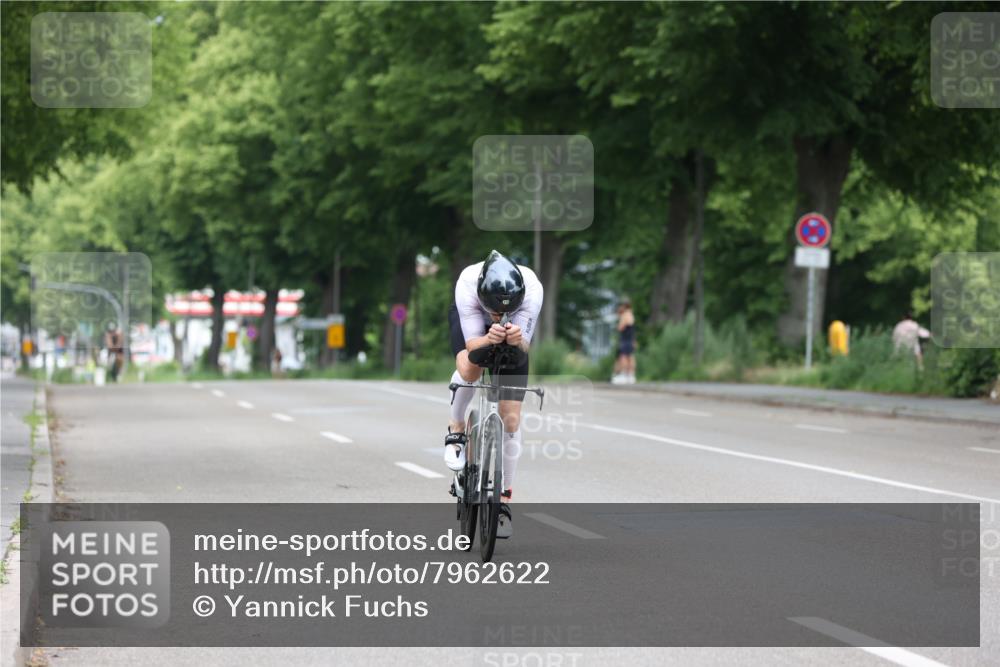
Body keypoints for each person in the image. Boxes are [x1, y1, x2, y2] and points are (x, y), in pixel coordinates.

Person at [444, 250, 543, 538]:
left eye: (504, 312)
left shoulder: (532, 290)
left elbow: (524, 348)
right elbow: (471, 349)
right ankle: (456, 427)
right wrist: (488, 337)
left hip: (514, 334)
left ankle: (504, 501)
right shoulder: (467, 284)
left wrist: (517, 339)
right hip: (475, 329)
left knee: (510, 418)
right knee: (470, 371)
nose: (499, 317)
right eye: (495, 312)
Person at [612, 300, 636, 385]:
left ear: (624, 306)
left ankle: (624, 374)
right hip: (630, 338)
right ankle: (631, 375)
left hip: (625, 339)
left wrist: (619, 321)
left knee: (623, 357)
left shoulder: (625, 315)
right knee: (630, 356)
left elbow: (620, 328)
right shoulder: (631, 314)